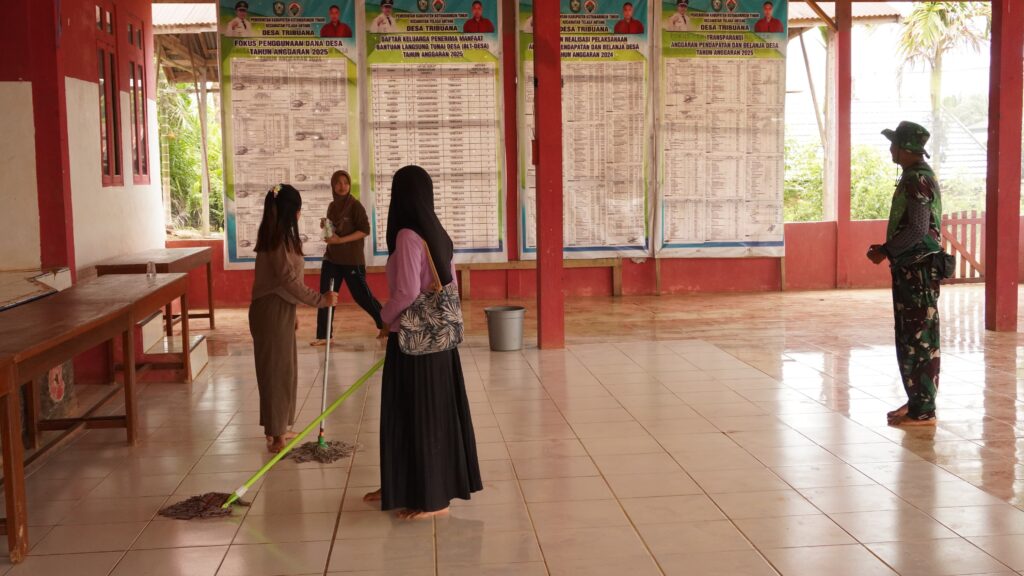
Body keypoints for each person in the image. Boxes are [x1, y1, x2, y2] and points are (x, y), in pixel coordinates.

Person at [362, 165, 482, 520]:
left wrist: (383, 318)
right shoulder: (438, 234)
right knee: (414, 416)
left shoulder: (407, 237)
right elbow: (447, 285)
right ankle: (400, 486)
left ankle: (434, 499)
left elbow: (406, 293)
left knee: (417, 417)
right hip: (439, 343)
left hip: (414, 344)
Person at [250, 184, 339, 453]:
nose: (300, 214)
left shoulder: (283, 237)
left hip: (281, 309)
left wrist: (294, 310)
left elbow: (285, 283)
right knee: (275, 373)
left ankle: (279, 427)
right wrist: (321, 300)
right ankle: (276, 436)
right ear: (289, 211)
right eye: (298, 209)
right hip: (270, 311)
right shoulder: (276, 240)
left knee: (286, 371)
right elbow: (288, 280)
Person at [867, 121, 943, 427]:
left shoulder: (917, 179)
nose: (891, 150)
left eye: (894, 144)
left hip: (918, 270)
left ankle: (923, 409)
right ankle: (916, 401)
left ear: (906, 149)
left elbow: (918, 228)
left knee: (919, 337)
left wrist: (885, 250)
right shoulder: (914, 176)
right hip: (910, 268)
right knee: (910, 335)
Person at [311, 170, 385, 346]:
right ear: (333, 185)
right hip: (331, 258)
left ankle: (386, 323)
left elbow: (365, 230)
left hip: (352, 260)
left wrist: (340, 240)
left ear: (350, 185)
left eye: (345, 182)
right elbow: (334, 231)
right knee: (326, 295)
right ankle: (324, 336)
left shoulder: (355, 206)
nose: (342, 186)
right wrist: (326, 227)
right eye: (338, 183)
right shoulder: (332, 206)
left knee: (362, 296)